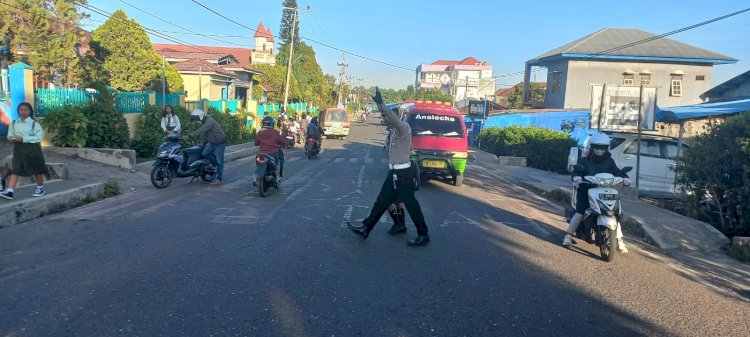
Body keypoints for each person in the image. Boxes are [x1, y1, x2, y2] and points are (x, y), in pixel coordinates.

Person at [347, 87, 430, 246]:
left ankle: (423, 234)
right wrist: (379, 106)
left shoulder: (402, 127)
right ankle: (366, 228)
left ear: (393, 117)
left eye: (385, 116)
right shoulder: (394, 131)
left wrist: (382, 103)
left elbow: (394, 119)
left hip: (404, 173)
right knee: (381, 201)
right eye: (383, 115)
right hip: (394, 173)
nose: (383, 118)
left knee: (411, 204)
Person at [563, 132, 631, 253]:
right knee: (580, 211)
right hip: (586, 189)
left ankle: (619, 241)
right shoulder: (584, 160)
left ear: (607, 148)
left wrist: (625, 178)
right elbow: (577, 171)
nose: (599, 150)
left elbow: (617, 172)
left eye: (603, 147)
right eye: (597, 147)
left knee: (615, 214)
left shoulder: (609, 161)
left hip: (605, 191)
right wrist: (577, 177)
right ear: (592, 146)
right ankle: (568, 236)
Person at [1, 102, 47, 200]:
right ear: (18, 111)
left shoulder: (34, 124)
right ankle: (10, 191)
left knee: (37, 169)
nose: (23, 112)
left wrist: (23, 138)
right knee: (15, 169)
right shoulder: (14, 123)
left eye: (26, 110)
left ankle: (40, 188)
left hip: (33, 149)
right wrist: (10, 138)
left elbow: (38, 136)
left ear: (30, 111)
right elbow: (10, 135)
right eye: (21, 110)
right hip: (19, 149)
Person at [188, 109, 227, 186]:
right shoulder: (204, 121)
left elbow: (202, 130)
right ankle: (214, 164)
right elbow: (207, 134)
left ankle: (219, 179)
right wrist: (203, 143)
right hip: (212, 142)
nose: (196, 120)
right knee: (205, 153)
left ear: (200, 116)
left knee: (220, 161)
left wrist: (190, 136)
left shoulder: (210, 121)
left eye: (196, 118)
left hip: (220, 143)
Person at [255, 116, 286, 183]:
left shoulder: (260, 133)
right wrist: (284, 143)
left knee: (258, 163)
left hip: (262, 153)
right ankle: (277, 177)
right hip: (273, 153)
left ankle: (257, 176)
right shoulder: (275, 132)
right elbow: (282, 141)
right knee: (278, 163)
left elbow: (256, 143)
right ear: (272, 124)